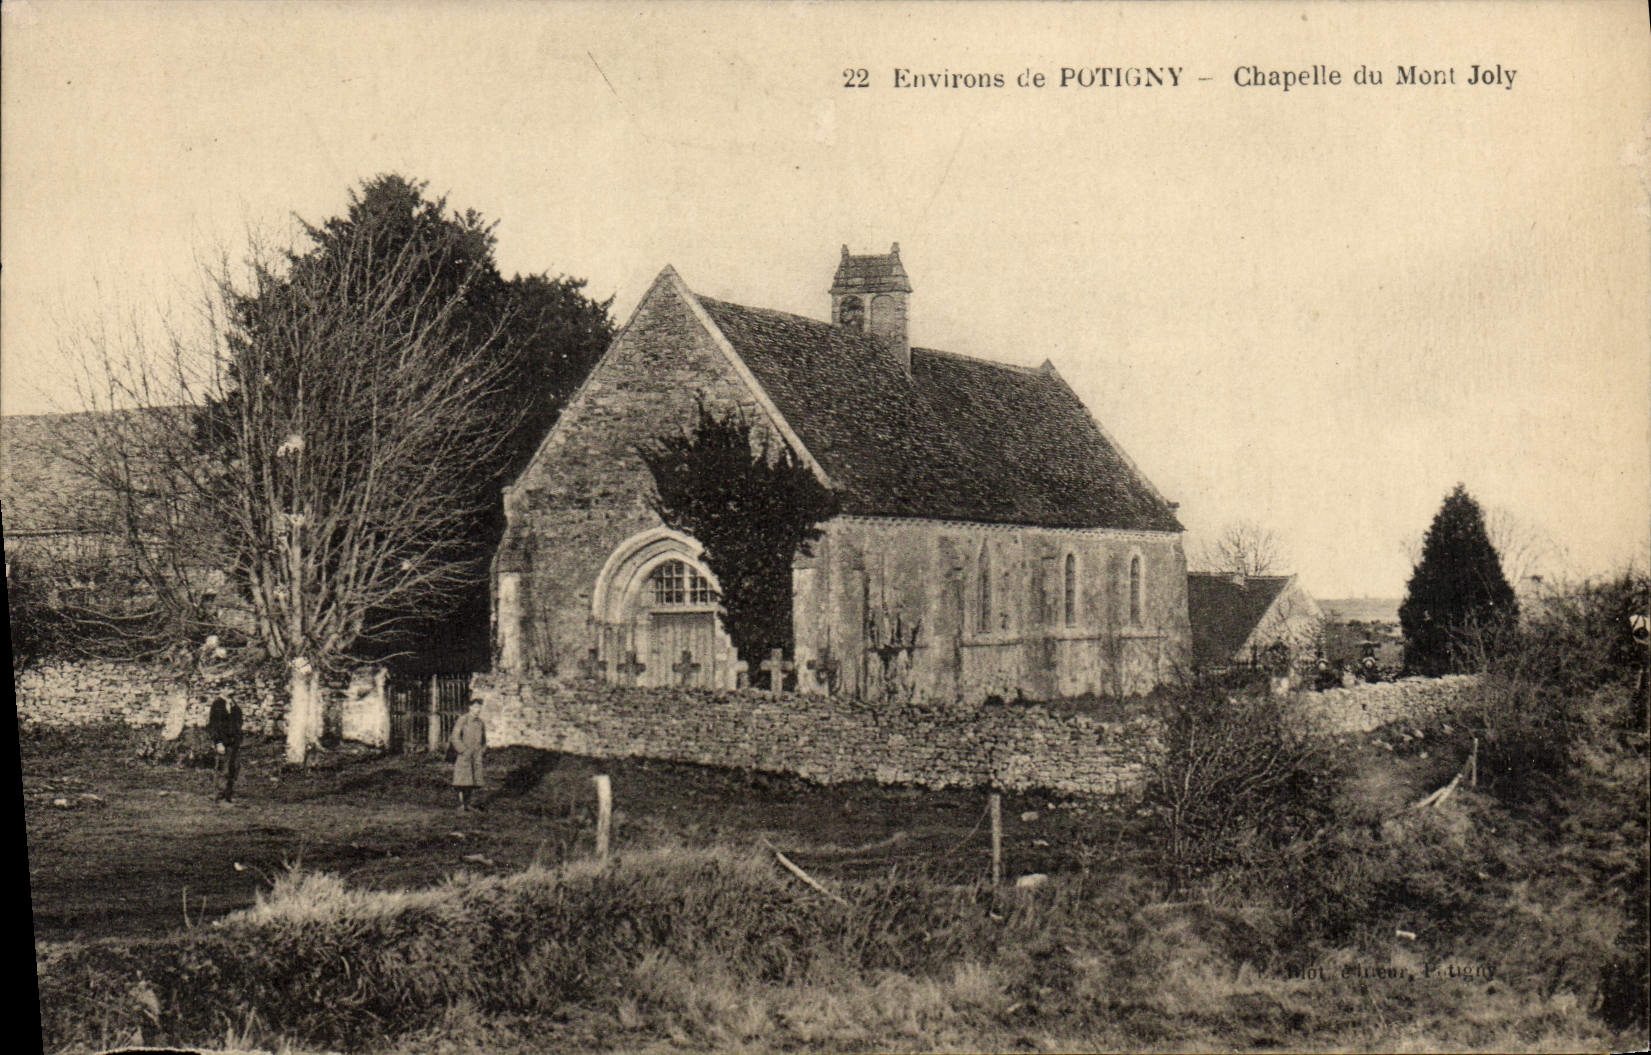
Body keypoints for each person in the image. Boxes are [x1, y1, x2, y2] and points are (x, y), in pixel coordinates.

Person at [450, 700, 487, 812]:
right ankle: (461, 804)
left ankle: (468, 804)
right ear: (470, 707)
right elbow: (455, 737)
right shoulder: (463, 720)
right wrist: (463, 750)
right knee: (462, 780)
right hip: (464, 755)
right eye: (475, 707)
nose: (478, 710)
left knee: (473, 780)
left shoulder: (480, 722)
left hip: (476, 755)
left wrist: (482, 751)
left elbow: (484, 740)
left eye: (479, 707)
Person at [206, 695, 244, 804]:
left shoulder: (234, 705)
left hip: (234, 742)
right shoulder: (217, 705)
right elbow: (213, 725)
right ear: (223, 689)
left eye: (232, 687)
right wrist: (218, 742)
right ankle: (220, 796)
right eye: (227, 686)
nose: (231, 690)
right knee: (223, 769)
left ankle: (228, 794)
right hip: (223, 742)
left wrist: (238, 737)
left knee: (234, 768)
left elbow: (239, 722)